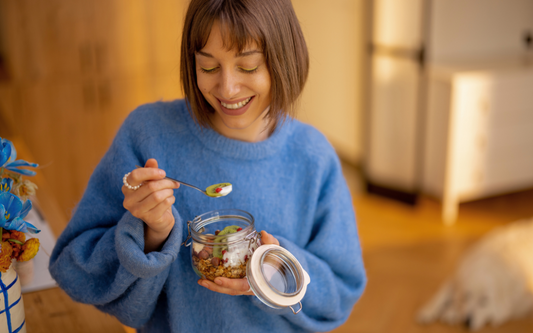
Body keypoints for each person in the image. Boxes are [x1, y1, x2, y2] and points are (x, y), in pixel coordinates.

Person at [49, 0, 366, 332]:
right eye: (209, 67)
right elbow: (73, 269)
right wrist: (149, 235)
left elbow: (341, 293)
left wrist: (273, 272)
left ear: (284, 59)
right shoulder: (147, 134)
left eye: (247, 66)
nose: (227, 89)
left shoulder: (312, 156)